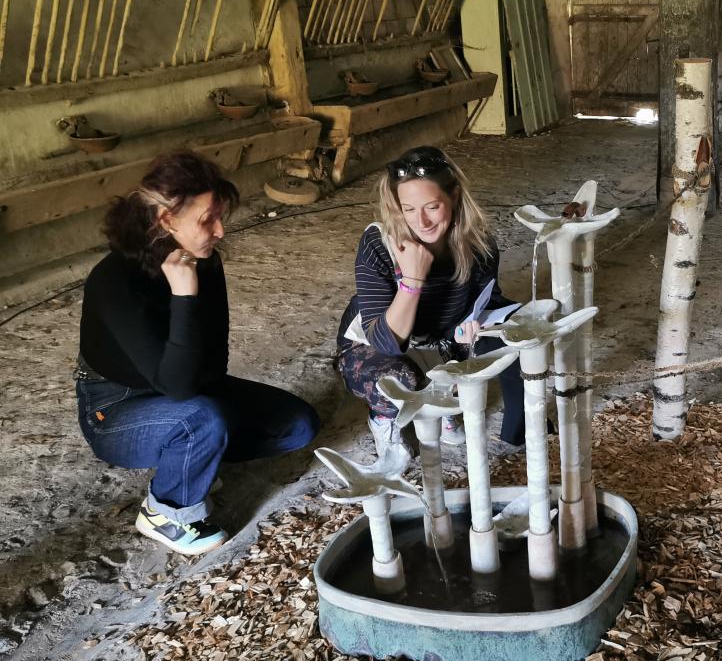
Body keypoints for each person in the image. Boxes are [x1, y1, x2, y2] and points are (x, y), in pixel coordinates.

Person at [75, 151, 320, 556]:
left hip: (185, 389)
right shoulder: (114, 281)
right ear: (166, 220)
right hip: (115, 409)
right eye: (208, 219)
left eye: (220, 216)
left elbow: (213, 360)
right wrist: (184, 295)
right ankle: (166, 512)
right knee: (199, 419)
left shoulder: (206, 262)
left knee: (298, 425)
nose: (220, 230)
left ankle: (194, 455)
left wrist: (217, 409)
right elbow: (177, 385)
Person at [336, 145, 524, 458]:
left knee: (513, 329)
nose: (420, 221)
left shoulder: (480, 245)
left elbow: (484, 301)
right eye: (408, 209)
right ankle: (384, 418)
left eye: (432, 206)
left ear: (454, 197)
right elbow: (386, 342)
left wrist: (476, 325)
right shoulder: (378, 245)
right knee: (401, 380)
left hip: (439, 339)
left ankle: (448, 404)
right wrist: (412, 279)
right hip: (372, 345)